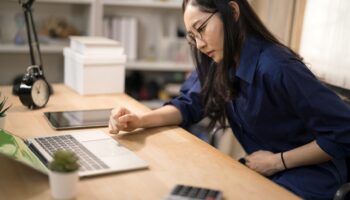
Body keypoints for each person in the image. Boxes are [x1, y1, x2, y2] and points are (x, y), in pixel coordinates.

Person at [109, 0, 350, 199]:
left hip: (312, 175)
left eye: (201, 28)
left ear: (232, 12)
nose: (200, 44)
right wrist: (140, 120)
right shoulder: (219, 61)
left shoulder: (277, 67)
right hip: (266, 168)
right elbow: (188, 104)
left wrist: (277, 162)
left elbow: (344, 131)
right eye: (192, 36)